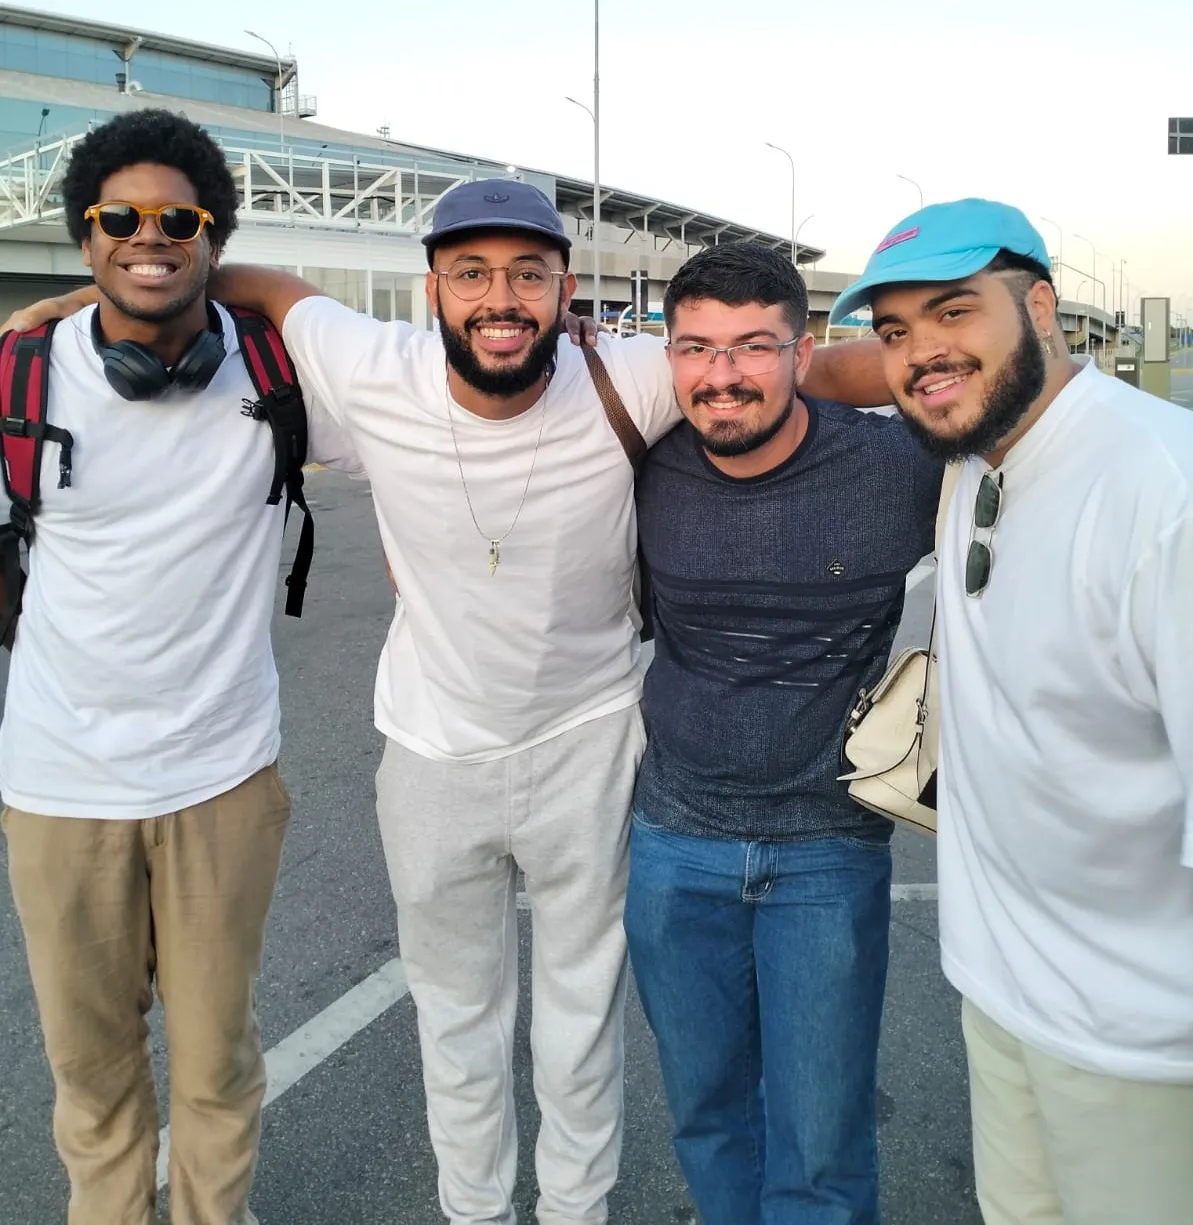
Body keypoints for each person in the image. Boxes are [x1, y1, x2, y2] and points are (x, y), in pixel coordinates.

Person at [7, 178, 892, 1225]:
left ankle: (575, 1211)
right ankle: (473, 1213)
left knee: (580, 1023)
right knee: (456, 1019)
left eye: (527, 273)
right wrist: (81, 302)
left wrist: (993, 369)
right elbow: (260, 281)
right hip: (429, 755)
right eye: (469, 273)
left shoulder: (641, 373)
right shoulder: (370, 367)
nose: (498, 297)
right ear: (432, 289)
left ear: (567, 290)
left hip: (591, 741)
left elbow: (820, 366)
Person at [0, 110, 359, 1225]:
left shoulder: (277, 372)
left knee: (216, 1066)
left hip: (222, 778)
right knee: (94, 1076)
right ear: (84, 234)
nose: (144, 237)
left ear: (213, 235)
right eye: (117, 219)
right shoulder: (20, 379)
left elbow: (441, 388)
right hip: (59, 789)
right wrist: (47, 315)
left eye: (176, 220)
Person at [829, 198, 1193, 1225]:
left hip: (1143, 1043)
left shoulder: (1167, 491)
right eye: (897, 330)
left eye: (954, 313)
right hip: (998, 994)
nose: (922, 355)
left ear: (1040, 306)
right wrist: (790, 362)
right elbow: (880, 374)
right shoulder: (975, 450)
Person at [624, 241, 941, 1225]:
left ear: (801, 354)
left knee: (819, 1140)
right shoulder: (641, 462)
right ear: (668, 358)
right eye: (698, 348)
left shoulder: (898, 466)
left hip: (827, 851)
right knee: (708, 1117)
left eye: (754, 346)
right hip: (673, 844)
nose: (722, 374)